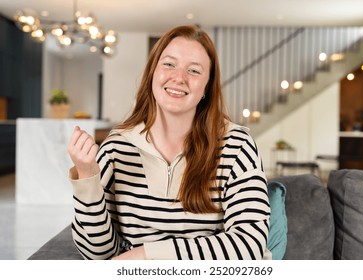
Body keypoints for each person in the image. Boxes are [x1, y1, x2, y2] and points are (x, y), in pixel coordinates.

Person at [67, 25, 271, 260]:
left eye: (194, 70)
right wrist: (87, 176)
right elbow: (97, 254)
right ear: (153, 72)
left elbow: (249, 244)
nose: (179, 78)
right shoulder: (117, 147)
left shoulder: (237, 145)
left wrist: (147, 256)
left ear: (207, 86)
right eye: (169, 64)